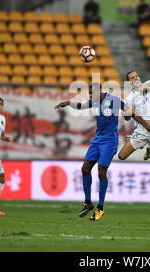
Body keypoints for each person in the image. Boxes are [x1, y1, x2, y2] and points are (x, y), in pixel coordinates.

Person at [54, 83, 126, 221]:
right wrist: (68, 102)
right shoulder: (95, 101)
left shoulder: (114, 100)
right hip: (97, 140)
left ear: (100, 91)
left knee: (101, 171)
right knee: (85, 169)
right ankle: (87, 203)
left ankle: (100, 208)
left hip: (110, 141)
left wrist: (138, 121)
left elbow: (128, 110)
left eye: (93, 94)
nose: (91, 97)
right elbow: (82, 105)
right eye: (90, 94)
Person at [118, 71, 150, 171]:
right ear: (129, 82)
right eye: (132, 78)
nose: (135, 78)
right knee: (121, 156)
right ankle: (142, 143)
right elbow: (127, 118)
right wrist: (128, 113)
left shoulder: (149, 84)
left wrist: (149, 84)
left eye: (136, 76)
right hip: (141, 131)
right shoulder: (129, 98)